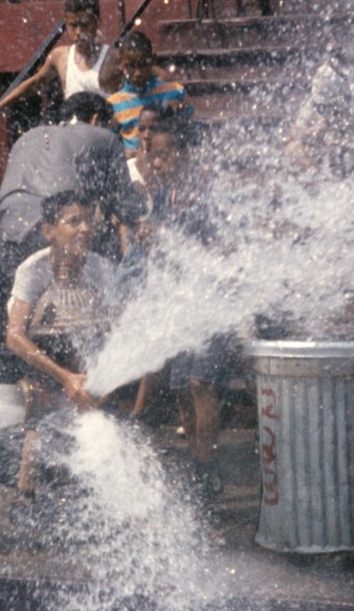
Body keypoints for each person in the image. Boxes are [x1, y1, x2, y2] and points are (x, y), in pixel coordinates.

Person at [0, 91, 144, 347]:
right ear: (95, 119)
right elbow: (124, 205)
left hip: (2, 235)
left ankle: (16, 366)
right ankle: (82, 354)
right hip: (53, 233)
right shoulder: (104, 137)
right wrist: (142, 197)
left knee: (18, 310)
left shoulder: (26, 137)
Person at [127, 117, 231, 499]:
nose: (158, 163)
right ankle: (195, 463)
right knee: (179, 390)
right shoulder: (167, 198)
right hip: (179, 302)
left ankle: (206, 467)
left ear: (187, 156)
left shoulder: (211, 193)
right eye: (155, 156)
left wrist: (168, 239)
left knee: (200, 384)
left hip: (213, 302)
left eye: (166, 155)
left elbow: (223, 251)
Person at [5, 190, 120, 493]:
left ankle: (94, 491)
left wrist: (102, 379)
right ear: (49, 232)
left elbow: (117, 328)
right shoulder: (33, 269)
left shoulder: (102, 270)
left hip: (86, 362)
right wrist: (65, 378)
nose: (85, 229)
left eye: (88, 222)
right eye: (74, 221)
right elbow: (14, 336)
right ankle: (25, 493)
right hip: (44, 360)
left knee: (96, 409)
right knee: (41, 403)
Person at [0, 0, 124, 125]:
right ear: (66, 24)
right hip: (70, 142)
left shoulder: (114, 58)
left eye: (85, 25)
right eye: (73, 26)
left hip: (103, 141)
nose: (79, 32)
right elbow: (34, 83)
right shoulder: (60, 57)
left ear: (97, 22)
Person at [107, 31, 192, 153]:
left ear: (153, 60)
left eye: (143, 65)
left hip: (168, 163)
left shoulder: (175, 92)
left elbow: (190, 129)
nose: (138, 73)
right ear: (119, 63)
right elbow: (110, 147)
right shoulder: (113, 105)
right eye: (131, 66)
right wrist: (127, 154)